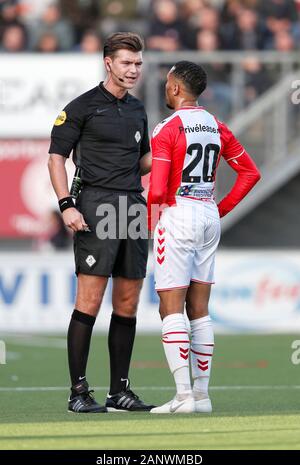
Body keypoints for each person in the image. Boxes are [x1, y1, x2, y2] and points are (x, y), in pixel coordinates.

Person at [48, 32, 153, 413]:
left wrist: (171, 152)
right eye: (127, 62)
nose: (134, 70)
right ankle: (78, 392)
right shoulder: (82, 107)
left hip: (134, 209)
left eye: (138, 63)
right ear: (108, 63)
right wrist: (66, 205)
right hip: (96, 206)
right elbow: (56, 157)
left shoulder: (139, 108)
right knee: (89, 302)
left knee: (128, 303)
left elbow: (143, 162)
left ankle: (119, 391)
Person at [148, 61, 261, 414]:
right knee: (199, 309)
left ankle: (182, 397)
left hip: (178, 213)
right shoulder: (217, 125)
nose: (166, 89)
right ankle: (202, 396)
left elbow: (156, 190)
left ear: (177, 88)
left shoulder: (166, 129)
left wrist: (151, 214)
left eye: (168, 84)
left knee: (170, 307)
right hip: (208, 212)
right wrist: (222, 208)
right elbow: (250, 172)